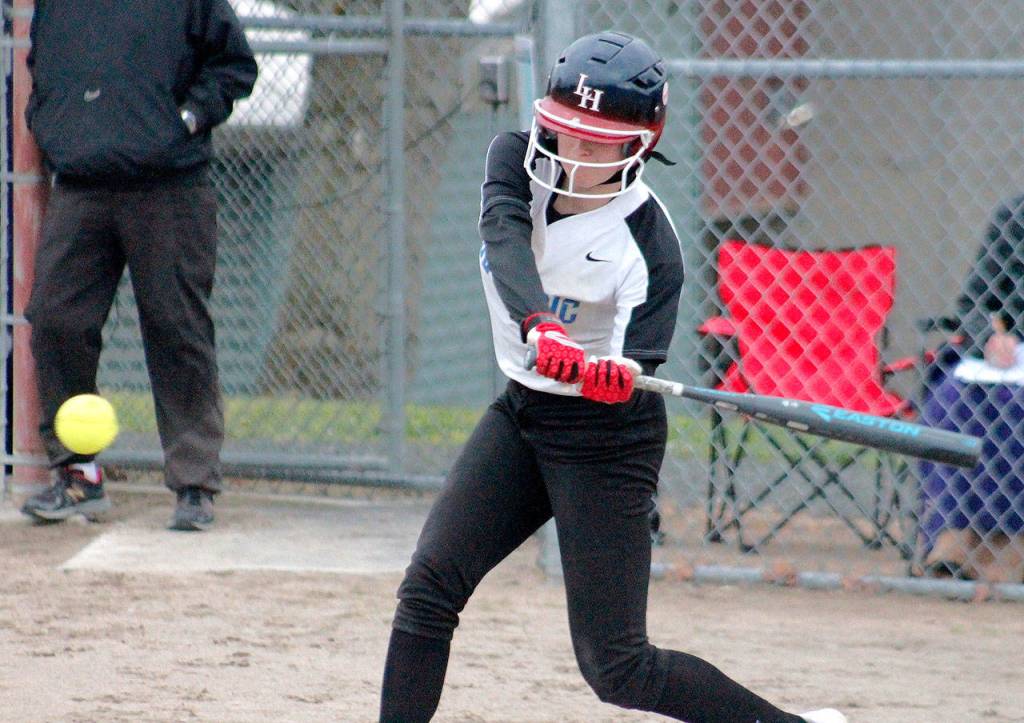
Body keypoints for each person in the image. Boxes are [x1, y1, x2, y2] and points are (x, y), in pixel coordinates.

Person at [379, 31, 846, 723]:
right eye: (567, 133)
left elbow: (634, 365)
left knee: (619, 666)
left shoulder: (652, 246)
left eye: (598, 143)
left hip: (606, 442)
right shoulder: (511, 160)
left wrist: (608, 373)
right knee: (428, 587)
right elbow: (506, 240)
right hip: (522, 412)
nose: (575, 155)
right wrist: (544, 325)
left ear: (641, 143)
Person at [19, 1, 258, 531]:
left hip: (169, 187)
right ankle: (77, 474)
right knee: (56, 320)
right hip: (82, 187)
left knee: (177, 329)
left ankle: (194, 483)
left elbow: (234, 66)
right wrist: (53, 124)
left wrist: (184, 120)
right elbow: (45, 66)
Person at [918, 195, 1024, 582]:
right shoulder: (1016, 214)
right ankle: (954, 532)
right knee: (953, 394)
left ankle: (1013, 544)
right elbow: (974, 301)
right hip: (1009, 356)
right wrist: (990, 339)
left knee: (1018, 406)